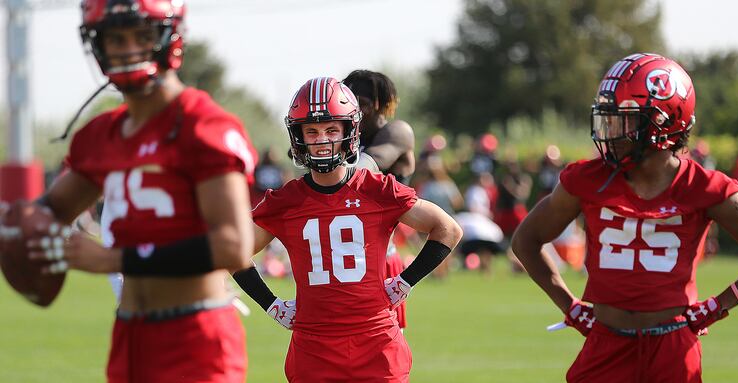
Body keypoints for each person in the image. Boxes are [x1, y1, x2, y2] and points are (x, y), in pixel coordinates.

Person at [3, 1, 258, 382]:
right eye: (115, 38)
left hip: (195, 335)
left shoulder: (203, 125)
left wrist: (114, 259)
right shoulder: (101, 134)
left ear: (169, 37)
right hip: (129, 334)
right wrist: (20, 228)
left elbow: (232, 245)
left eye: (141, 36)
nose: (126, 49)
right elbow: (51, 209)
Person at [511, 53, 738, 382]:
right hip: (606, 342)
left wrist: (718, 306)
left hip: (673, 347)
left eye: (624, 119)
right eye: (609, 117)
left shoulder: (704, 187)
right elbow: (526, 240)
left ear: (664, 121)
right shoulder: (586, 179)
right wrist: (570, 306)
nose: (610, 129)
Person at [232, 77, 462, 382]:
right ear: (298, 136)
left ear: (349, 133)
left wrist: (404, 282)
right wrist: (271, 304)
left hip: (376, 340)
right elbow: (232, 251)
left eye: (331, 130)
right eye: (311, 131)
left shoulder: (376, 189)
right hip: (314, 346)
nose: (322, 139)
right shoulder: (286, 202)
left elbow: (447, 228)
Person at [343, 70, 417, 331]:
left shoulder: (397, 132)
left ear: (378, 104)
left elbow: (365, 167)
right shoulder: (346, 139)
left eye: (359, 103)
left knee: (384, 352)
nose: (353, 111)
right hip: (342, 260)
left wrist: (324, 157)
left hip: (380, 260)